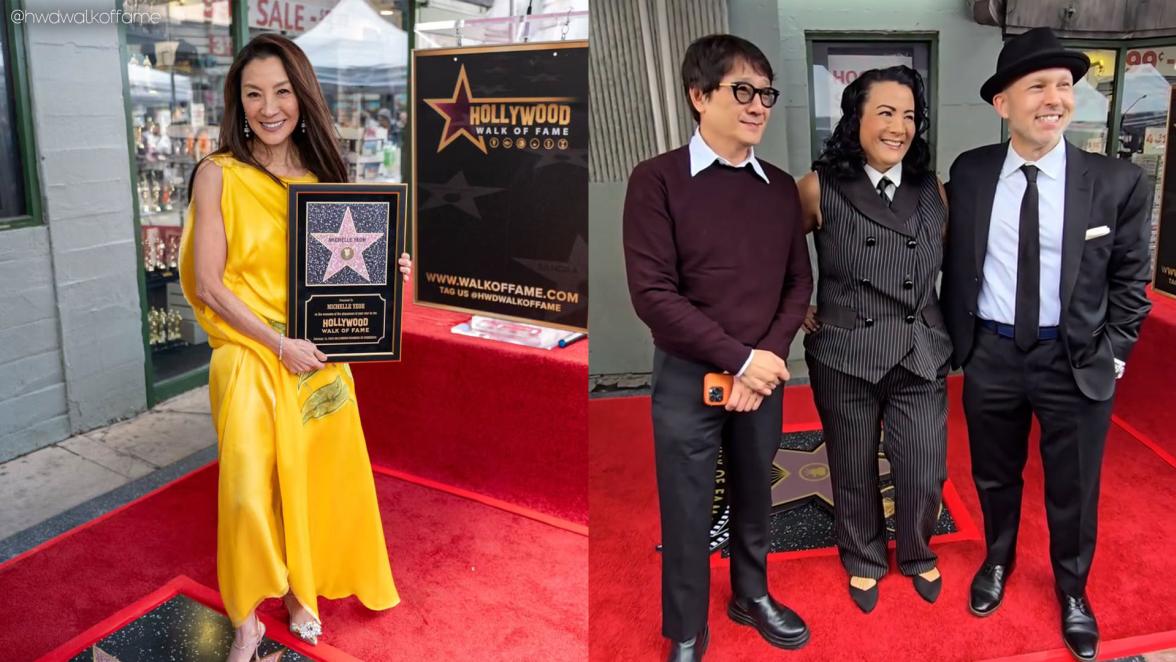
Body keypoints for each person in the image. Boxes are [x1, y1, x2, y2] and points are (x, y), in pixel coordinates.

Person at [177, 33, 412, 661]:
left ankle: (301, 591)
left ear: (302, 97)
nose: (268, 106)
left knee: (311, 480)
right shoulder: (217, 174)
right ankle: (248, 613)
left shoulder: (325, 180)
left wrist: (387, 271)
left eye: (281, 90)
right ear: (238, 102)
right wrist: (277, 344)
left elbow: (341, 276)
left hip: (318, 355)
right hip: (250, 352)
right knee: (251, 488)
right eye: (253, 93)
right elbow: (207, 283)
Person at [942, 27, 1152, 661]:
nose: (1055, 98)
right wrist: (965, 345)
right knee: (994, 474)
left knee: (1075, 485)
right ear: (1002, 102)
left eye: (1064, 85)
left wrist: (1110, 358)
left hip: (1076, 359)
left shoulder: (1117, 183)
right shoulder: (972, 172)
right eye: (1037, 86)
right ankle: (998, 561)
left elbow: (1131, 285)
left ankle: (1072, 590)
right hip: (993, 355)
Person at [623, 34, 812, 662]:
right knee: (686, 504)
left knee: (758, 489)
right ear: (698, 96)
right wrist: (738, 359)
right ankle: (684, 626)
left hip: (762, 376)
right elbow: (654, 295)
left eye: (766, 94)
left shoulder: (780, 188)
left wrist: (764, 360)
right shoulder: (656, 182)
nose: (759, 106)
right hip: (687, 377)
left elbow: (797, 282)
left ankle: (751, 594)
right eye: (743, 91)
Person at [796, 65, 952, 614]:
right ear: (855, 119)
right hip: (846, 352)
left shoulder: (932, 187)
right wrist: (800, 309)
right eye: (885, 112)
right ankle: (862, 557)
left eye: (909, 115)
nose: (899, 126)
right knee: (852, 463)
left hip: (920, 348)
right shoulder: (818, 186)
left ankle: (914, 551)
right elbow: (777, 256)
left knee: (924, 466)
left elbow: (959, 263)